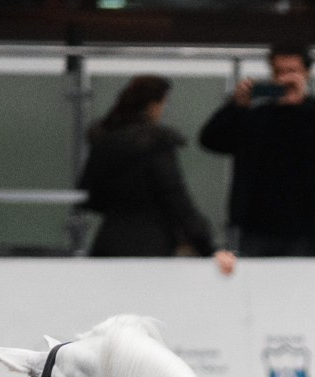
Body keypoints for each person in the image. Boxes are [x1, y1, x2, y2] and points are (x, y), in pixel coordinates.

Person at [199, 42, 315, 257]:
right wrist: (236, 105)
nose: (284, 78)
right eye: (278, 72)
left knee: (305, 285)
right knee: (255, 286)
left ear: (307, 73)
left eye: (292, 72)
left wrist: (304, 102)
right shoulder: (257, 116)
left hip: (308, 226)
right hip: (258, 224)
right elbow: (210, 140)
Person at [81, 75, 236, 273]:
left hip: (109, 239)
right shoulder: (156, 144)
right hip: (151, 243)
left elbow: (92, 196)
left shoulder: (104, 140)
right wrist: (206, 245)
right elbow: (174, 196)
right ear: (154, 105)